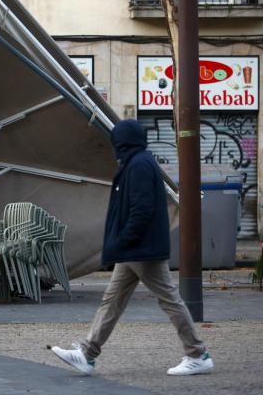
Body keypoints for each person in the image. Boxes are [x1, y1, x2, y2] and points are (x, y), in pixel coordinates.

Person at [51, 119, 213, 376]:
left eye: (115, 142)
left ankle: (197, 353)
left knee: (169, 299)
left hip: (141, 248)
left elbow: (141, 210)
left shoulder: (138, 165)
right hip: (136, 248)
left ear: (122, 142)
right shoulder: (138, 162)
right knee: (112, 300)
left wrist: (122, 240)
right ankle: (87, 353)